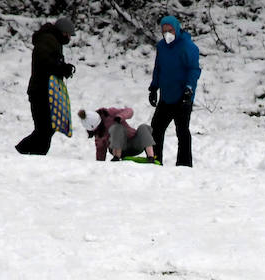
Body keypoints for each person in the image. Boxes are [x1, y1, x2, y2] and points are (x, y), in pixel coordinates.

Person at [15, 16, 75, 156]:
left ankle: (31, 155)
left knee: (46, 128)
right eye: (68, 34)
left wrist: (62, 68)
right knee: (45, 129)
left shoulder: (52, 41)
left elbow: (50, 63)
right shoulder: (47, 40)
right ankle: (24, 153)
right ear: (62, 32)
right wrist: (61, 68)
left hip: (45, 91)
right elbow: (44, 63)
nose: (69, 38)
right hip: (40, 92)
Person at [146, 14, 199, 167]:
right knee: (156, 129)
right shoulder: (161, 47)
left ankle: (184, 165)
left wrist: (189, 89)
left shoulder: (188, 47)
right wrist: (153, 88)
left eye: (170, 30)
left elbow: (194, 70)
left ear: (176, 29)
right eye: (164, 31)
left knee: (182, 131)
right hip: (166, 96)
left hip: (183, 97)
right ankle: (155, 160)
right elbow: (158, 68)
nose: (167, 33)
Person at [78, 106, 156, 162]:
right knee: (116, 129)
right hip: (120, 150)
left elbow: (129, 110)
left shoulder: (110, 113)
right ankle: (116, 157)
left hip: (134, 143)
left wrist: (121, 116)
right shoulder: (98, 135)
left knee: (143, 127)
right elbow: (100, 152)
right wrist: (99, 166)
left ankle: (151, 156)